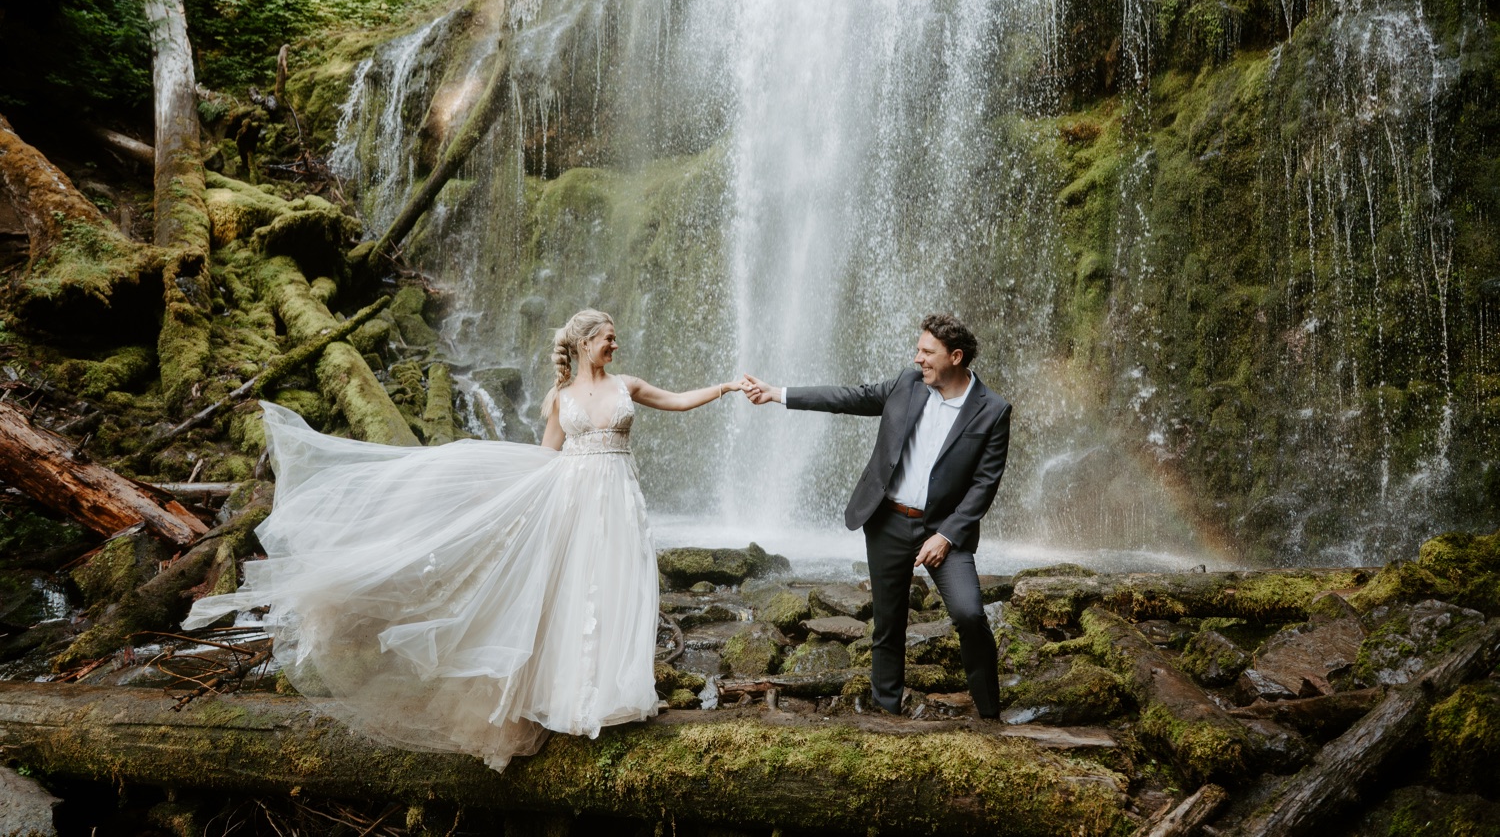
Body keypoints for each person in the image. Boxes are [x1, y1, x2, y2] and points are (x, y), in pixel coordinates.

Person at [184, 308, 744, 771]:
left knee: (620, 586)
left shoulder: (629, 386)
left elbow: (674, 400)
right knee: (577, 593)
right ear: (582, 344)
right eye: (607, 338)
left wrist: (723, 387)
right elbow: (544, 458)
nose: (615, 344)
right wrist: (492, 496)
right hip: (574, 501)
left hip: (619, 500)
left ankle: (617, 695)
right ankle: (573, 700)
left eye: (616, 337)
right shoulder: (560, 401)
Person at [743, 313, 1010, 717]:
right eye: (918, 350)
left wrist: (947, 536)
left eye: (927, 351)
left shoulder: (993, 410)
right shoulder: (907, 385)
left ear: (955, 357)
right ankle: (887, 712)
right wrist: (776, 393)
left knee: (970, 614)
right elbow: (847, 398)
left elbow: (984, 485)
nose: (917, 358)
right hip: (887, 519)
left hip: (943, 530)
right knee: (888, 625)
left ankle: (991, 714)